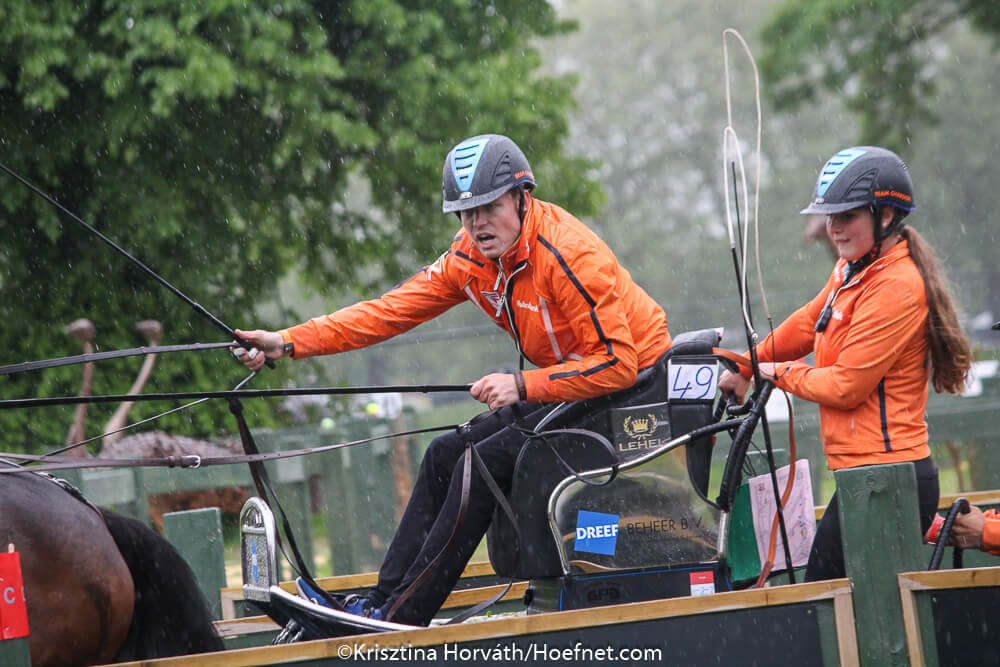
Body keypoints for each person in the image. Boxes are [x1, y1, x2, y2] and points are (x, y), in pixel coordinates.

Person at [233, 133, 672, 624]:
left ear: (522, 198)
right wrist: (287, 341)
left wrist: (522, 385)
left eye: (490, 208)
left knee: (479, 466)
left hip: (633, 393)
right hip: (572, 387)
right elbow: (385, 313)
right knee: (445, 454)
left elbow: (618, 363)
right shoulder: (468, 260)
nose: (477, 224)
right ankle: (380, 603)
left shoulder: (569, 254)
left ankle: (402, 618)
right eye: (466, 213)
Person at [719, 146, 972, 581]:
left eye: (846, 216)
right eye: (829, 217)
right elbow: (807, 323)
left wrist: (773, 373)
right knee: (834, 602)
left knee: (829, 601)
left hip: (890, 481)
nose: (833, 228)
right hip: (866, 479)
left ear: (886, 216)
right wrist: (746, 364)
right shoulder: (851, 268)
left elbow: (845, 387)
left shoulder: (896, 286)